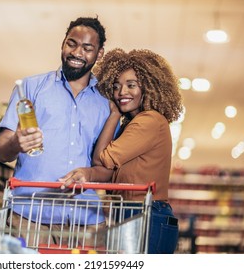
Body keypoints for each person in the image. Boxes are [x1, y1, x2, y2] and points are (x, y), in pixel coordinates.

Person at [0, 16, 111, 247]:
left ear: (99, 54)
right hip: (29, 217)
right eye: (72, 43)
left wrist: (88, 174)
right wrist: (17, 143)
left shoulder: (106, 102)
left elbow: (108, 169)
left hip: (85, 220)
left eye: (87, 48)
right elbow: (1, 152)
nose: (77, 52)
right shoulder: (31, 88)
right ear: (63, 44)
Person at [59, 48, 183, 253]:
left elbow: (102, 159)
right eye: (116, 86)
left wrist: (113, 115)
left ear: (150, 87)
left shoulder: (149, 121)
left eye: (131, 85)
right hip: (134, 212)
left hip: (145, 214)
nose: (122, 92)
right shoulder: (134, 124)